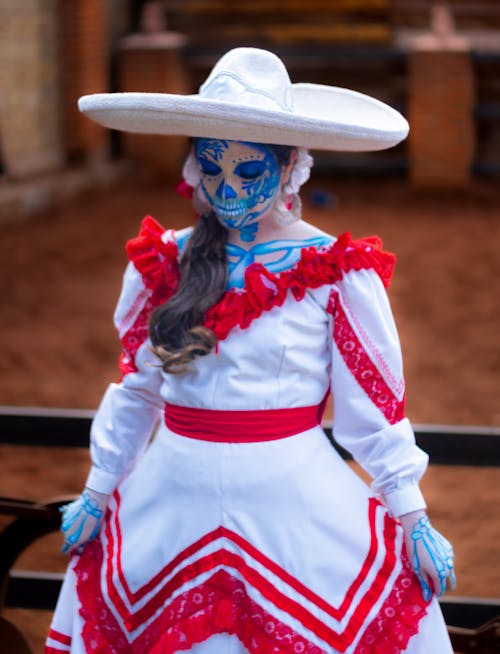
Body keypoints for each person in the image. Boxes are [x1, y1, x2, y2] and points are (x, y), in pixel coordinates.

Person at [45, 48, 455, 654]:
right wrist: (99, 488)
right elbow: (139, 389)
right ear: (195, 165)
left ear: (290, 166)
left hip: (292, 504)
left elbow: (372, 407)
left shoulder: (335, 271)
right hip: (170, 498)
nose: (228, 187)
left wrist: (411, 513)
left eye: (249, 172)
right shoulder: (167, 263)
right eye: (213, 168)